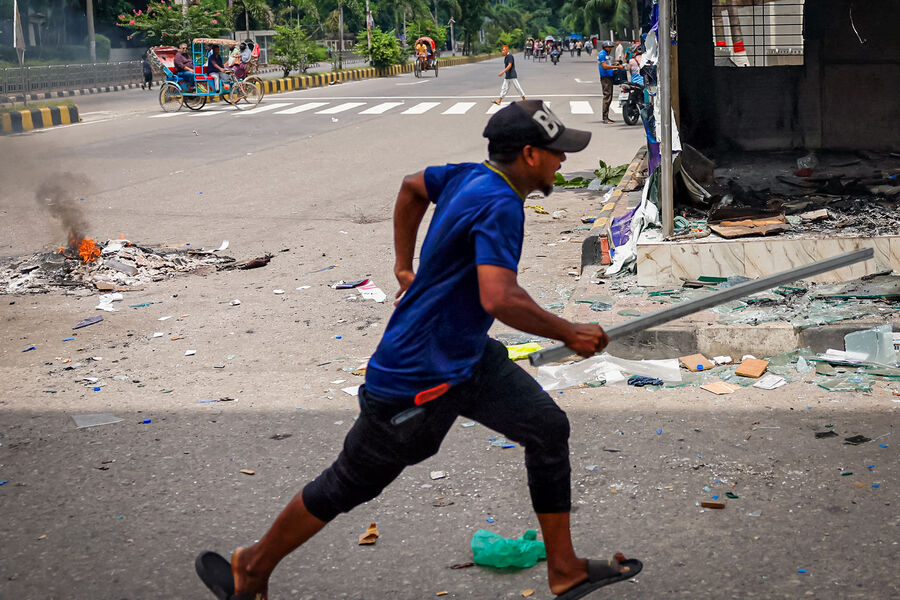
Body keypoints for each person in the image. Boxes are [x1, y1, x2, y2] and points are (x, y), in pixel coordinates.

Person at [194, 98, 641, 600]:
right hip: (418, 375)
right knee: (348, 482)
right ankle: (250, 568)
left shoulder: (468, 176)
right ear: (531, 155)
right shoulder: (500, 203)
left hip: (466, 357)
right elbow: (499, 296)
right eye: (556, 152)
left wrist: (404, 266)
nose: (563, 161)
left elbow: (411, 187)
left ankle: (565, 569)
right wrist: (569, 331)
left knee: (547, 429)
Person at [598, 40, 626, 124]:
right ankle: (605, 118)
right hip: (605, 77)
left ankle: (606, 116)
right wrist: (617, 67)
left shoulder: (606, 55)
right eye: (609, 47)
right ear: (605, 47)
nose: (610, 48)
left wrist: (615, 64)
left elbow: (608, 64)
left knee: (609, 96)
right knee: (607, 96)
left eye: (611, 47)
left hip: (610, 76)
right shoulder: (602, 54)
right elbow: (605, 66)